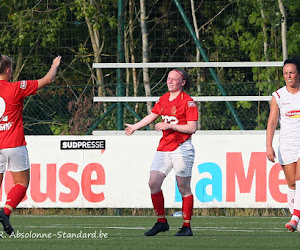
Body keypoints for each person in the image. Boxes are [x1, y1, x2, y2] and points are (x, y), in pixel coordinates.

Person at [125, 68, 198, 236]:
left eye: (174, 79)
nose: (170, 81)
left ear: (183, 83)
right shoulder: (164, 98)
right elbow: (152, 115)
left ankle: (186, 226)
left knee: (183, 187)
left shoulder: (188, 101)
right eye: (168, 78)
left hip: (182, 147)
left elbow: (192, 128)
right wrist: (135, 127)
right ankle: (161, 222)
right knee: (153, 183)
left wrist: (170, 126)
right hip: (164, 147)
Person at [0, 54, 61, 235]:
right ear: (8, 70)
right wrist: (54, 64)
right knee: (21, 183)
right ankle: (5, 212)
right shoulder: (16, 87)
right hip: (14, 144)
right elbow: (48, 79)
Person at [266, 55, 300, 232]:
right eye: (286, 73)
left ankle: (295, 218)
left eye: (292, 72)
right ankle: (297, 219)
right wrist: (268, 146)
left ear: (298, 74)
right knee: (292, 184)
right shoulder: (278, 96)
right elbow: (272, 122)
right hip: (286, 145)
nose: (289, 76)